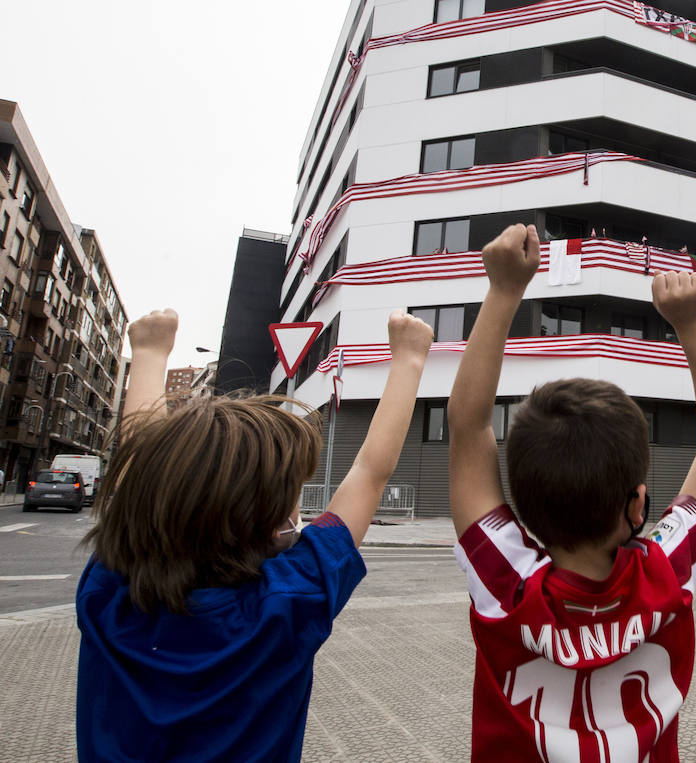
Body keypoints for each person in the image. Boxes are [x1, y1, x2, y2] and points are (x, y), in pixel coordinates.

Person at [76, 307, 433, 761]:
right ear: (270, 525)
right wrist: (409, 362)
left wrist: (147, 355)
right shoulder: (287, 603)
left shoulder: (110, 595)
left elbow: (138, 477)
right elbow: (368, 473)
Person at [446, 224, 696, 761]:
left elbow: (468, 430)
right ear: (636, 506)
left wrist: (503, 292)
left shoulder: (506, 582)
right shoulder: (666, 573)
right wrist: (694, 324)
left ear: (525, 509)